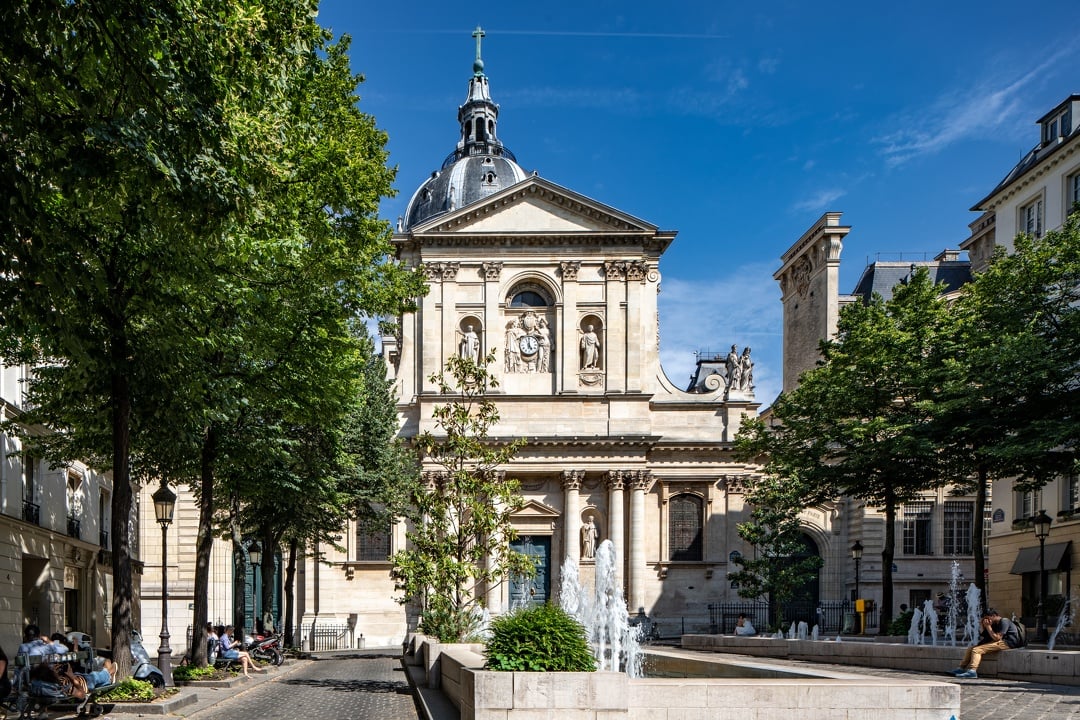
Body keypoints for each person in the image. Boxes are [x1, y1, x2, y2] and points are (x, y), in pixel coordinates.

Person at [950, 608, 1021, 678]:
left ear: (993, 616)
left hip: (1008, 642)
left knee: (977, 650)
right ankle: (961, 668)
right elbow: (985, 636)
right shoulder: (994, 623)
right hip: (1000, 642)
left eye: (987, 618)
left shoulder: (1004, 621)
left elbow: (997, 638)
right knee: (971, 649)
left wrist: (988, 626)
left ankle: (972, 671)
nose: (986, 620)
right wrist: (982, 625)